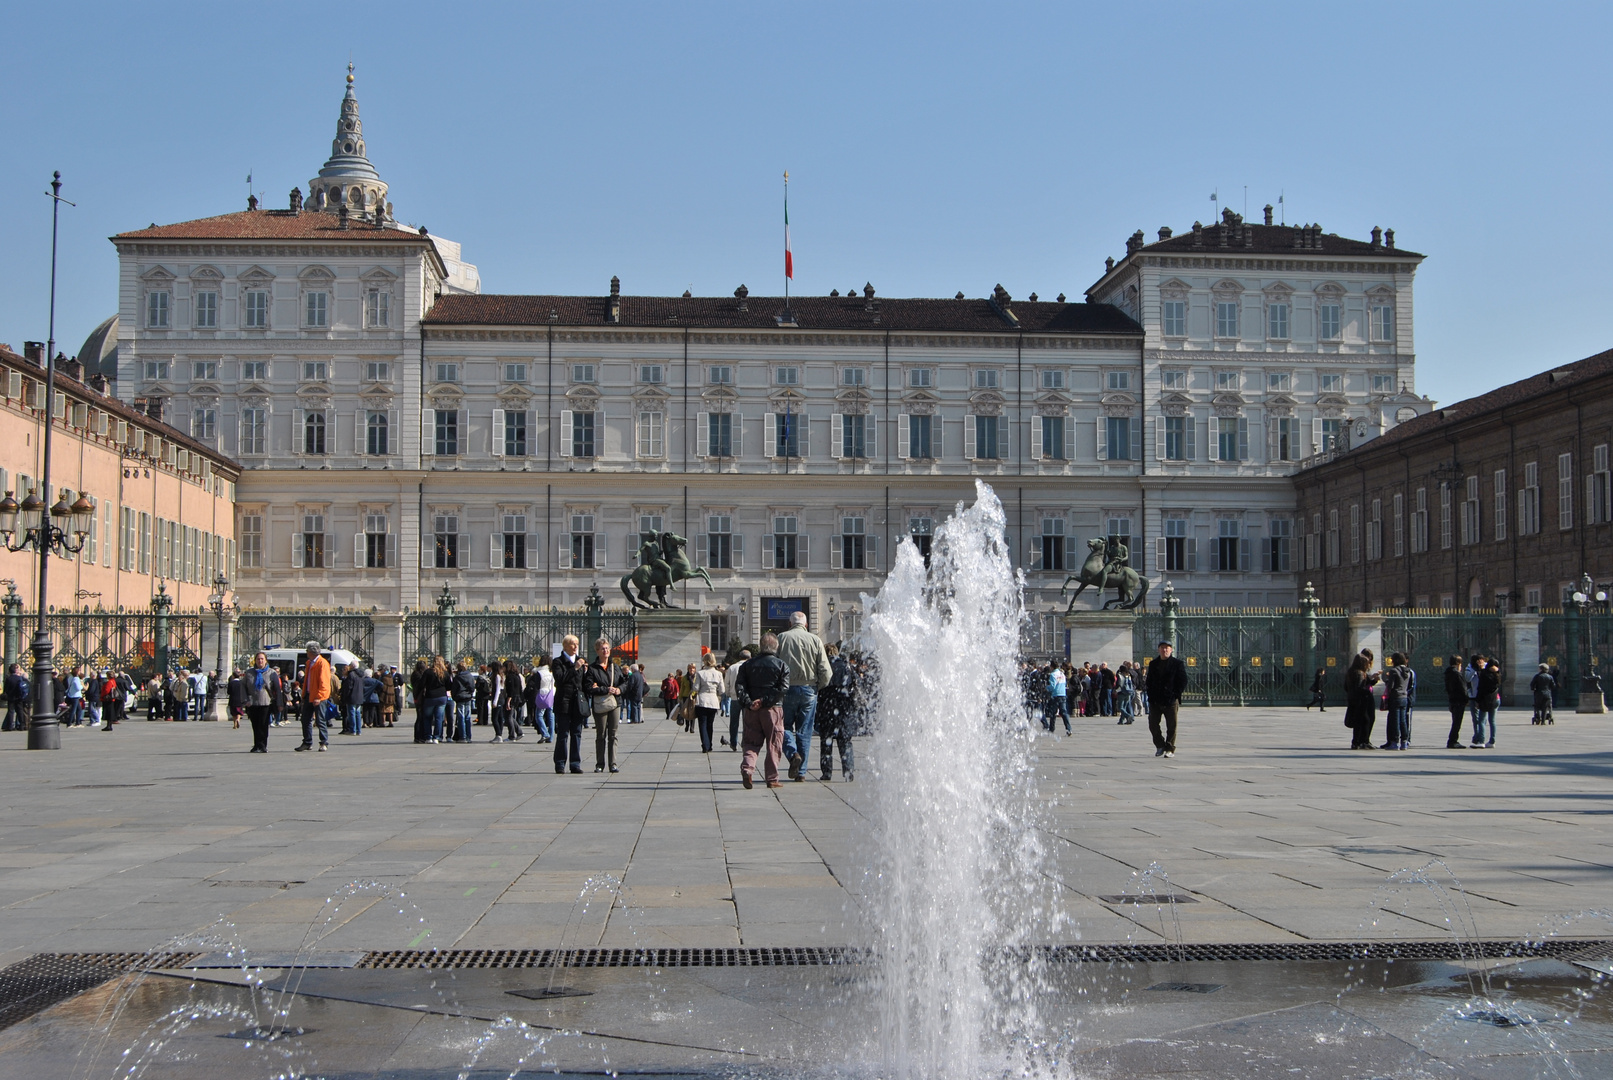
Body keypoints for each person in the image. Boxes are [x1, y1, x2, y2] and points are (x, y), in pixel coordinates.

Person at [776, 610, 833, 781]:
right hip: (809, 689)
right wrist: (818, 687)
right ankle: (801, 773)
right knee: (805, 731)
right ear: (806, 625)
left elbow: (775, 665)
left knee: (783, 727)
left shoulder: (781, 638)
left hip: (787, 689)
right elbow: (826, 671)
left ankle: (793, 754)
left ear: (789, 623)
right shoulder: (815, 640)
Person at [735, 632, 790, 789]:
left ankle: (747, 768)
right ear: (776, 647)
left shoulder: (747, 665)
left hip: (752, 709)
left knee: (751, 742)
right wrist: (765, 701)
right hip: (772, 709)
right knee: (774, 743)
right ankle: (772, 778)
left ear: (760, 646)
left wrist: (749, 702)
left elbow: (740, 686)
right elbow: (783, 688)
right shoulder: (781, 665)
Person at [816, 644, 856, 781]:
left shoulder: (823, 666)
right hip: (844, 707)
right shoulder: (846, 666)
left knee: (826, 741)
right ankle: (848, 771)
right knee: (845, 740)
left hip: (826, 706)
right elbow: (854, 686)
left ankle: (827, 772)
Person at [551, 635, 589, 774]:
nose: (575, 647)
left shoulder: (581, 660)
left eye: (577, 644)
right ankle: (560, 763)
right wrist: (575, 668)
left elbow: (583, 683)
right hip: (563, 701)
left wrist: (585, 672)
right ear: (565, 646)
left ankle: (575, 763)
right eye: (572, 644)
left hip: (577, 702)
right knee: (563, 733)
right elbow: (560, 679)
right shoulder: (557, 662)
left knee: (577, 733)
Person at [1144, 640, 1187, 759]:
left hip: (1171, 700)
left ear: (1171, 650)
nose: (1165, 650)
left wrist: (1175, 694)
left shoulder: (1177, 663)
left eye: (1167, 648)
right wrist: (1150, 695)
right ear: (1158, 650)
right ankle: (1160, 745)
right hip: (1155, 700)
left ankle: (1170, 748)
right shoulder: (1153, 664)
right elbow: (1149, 681)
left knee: (1171, 726)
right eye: (1162, 648)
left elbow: (1183, 681)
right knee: (1153, 724)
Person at [587, 638, 624, 772]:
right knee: (601, 734)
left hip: (615, 703)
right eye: (603, 648)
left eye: (607, 648)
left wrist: (619, 689)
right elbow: (589, 687)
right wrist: (606, 689)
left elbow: (624, 682)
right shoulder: (592, 669)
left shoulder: (615, 667)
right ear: (597, 651)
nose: (606, 650)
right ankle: (600, 764)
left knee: (613, 734)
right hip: (600, 703)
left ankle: (613, 763)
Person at [296, 643, 334, 751]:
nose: (306, 653)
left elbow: (324, 682)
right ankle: (307, 742)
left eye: (307, 651)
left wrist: (319, 696)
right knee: (305, 719)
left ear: (311, 652)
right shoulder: (309, 663)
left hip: (319, 697)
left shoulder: (322, 663)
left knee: (320, 720)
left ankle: (324, 742)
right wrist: (304, 694)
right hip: (308, 694)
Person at [244, 652, 283, 752]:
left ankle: (262, 745)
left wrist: (279, 703)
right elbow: (243, 687)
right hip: (252, 703)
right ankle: (256, 744)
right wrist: (245, 700)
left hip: (266, 702)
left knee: (263, 725)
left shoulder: (271, 673)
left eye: (262, 659)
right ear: (255, 661)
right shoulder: (249, 673)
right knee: (255, 725)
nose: (260, 661)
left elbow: (277, 689)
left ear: (266, 660)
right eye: (258, 659)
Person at [693, 652, 724, 754]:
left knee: (702, 724)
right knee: (710, 724)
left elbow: (695, 688)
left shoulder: (700, 673)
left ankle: (705, 745)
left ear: (705, 661)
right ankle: (709, 744)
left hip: (702, 700)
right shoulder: (718, 674)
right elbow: (722, 690)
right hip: (713, 701)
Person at [1381, 653, 1412, 750]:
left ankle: (1394, 742)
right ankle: (1404, 742)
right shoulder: (1408, 671)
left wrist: (1387, 679)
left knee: (1395, 721)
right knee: (1403, 721)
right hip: (1404, 697)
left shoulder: (1394, 671)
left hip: (1395, 697)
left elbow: (1391, 686)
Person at [723, 649, 750, 750]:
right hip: (747, 698)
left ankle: (733, 742)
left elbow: (727, 682)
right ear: (749, 657)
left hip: (734, 697)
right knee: (746, 721)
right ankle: (744, 742)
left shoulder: (732, 667)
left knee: (734, 722)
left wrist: (728, 693)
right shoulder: (750, 666)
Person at [1443, 654, 1469, 748]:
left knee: (1455, 721)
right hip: (1459, 700)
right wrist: (1466, 699)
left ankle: (1453, 740)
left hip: (1452, 699)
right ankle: (1453, 740)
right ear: (1458, 663)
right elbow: (1463, 688)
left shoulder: (1448, 673)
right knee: (1457, 722)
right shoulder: (1457, 674)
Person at [1474, 659, 1501, 748]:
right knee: (1492, 721)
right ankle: (1492, 741)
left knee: (1482, 720)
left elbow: (1481, 689)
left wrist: (1477, 701)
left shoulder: (1485, 675)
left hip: (1485, 699)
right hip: (1496, 698)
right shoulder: (1498, 674)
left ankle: (1481, 741)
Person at [451, 661, 478, 742]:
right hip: (468, 698)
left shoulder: (457, 677)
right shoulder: (469, 676)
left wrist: (454, 697)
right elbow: (472, 687)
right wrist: (469, 693)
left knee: (460, 717)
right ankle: (468, 736)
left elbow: (454, 689)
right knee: (467, 717)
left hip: (460, 698)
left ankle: (462, 736)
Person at [531, 662, 556, 742]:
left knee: (539, 715)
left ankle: (545, 733)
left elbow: (537, 685)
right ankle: (551, 737)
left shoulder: (539, 673)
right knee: (551, 716)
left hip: (542, 693)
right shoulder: (551, 672)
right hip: (551, 693)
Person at [502, 660, 525, 742]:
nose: (502, 669)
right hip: (517, 697)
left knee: (508, 717)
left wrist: (508, 701)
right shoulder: (517, 675)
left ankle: (512, 736)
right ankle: (519, 732)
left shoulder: (510, 677)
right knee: (511, 716)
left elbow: (510, 690)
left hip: (512, 698)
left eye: (503, 667)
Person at [340, 662, 365, 736]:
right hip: (359, 696)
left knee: (351, 713)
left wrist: (345, 696)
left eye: (350, 665)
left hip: (352, 696)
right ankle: (358, 730)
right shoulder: (361, 674)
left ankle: (353, 730)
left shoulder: (351, 674)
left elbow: (349, 686)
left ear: (352, 666)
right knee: (357, 713)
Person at [2, 663, 27, 732]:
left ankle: (9, 726)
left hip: (11, 697)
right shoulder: (19, 678)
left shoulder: (8, 679)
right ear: (15, 671)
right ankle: (22, 725)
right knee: (20, 711)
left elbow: (6, 689)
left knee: (10, 711)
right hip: (18, 697)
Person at [1045, 663, 1069, 733]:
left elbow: (1052, 686)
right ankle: (1068, 728)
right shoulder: (1062, 674)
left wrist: (1046, 688)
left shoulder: (1053, 675)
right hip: (1063, 694)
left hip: (1055, 695)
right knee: (1064, 712)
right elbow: (1064, 684)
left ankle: (1052, 729)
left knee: (1053, 713)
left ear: (1052, 667)